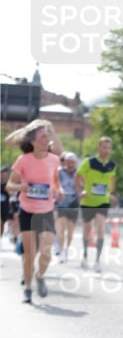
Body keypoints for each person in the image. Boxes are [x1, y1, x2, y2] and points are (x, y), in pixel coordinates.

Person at [6, 124, 62, 302]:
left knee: (46, 252)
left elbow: (55, 183)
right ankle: (28, 288)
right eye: (43, 137)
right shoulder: (23, 160)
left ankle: (40, 275)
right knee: (29, 253)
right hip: (28, 210)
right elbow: (9, 186)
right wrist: (20, 186)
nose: (47, 140)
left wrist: (58, 191)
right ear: (33, 142)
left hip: (46, 211)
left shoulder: (53, 160)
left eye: (48, 137)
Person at [76, 137, 116, 273]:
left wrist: (110, 193)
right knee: (87, 230)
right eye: (104, 147)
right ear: (98, 148)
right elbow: (77, 176)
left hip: (103, 202)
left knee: (100, 229)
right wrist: (80, 190)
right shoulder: (89, 162)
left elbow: (112, 180)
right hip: (87, 201)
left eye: (109, 148)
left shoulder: (112, 165)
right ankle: (85, 256)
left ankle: (97, 261)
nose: (106, 150)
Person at [55, 152, 79, 262]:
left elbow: (82, 186)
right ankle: (61, 250)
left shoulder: (78, 174)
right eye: (68, 162)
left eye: (72, 162)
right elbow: (56, 184)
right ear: (65, 162)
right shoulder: (60, 172)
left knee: (70, 231)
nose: (70, 164)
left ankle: (67, 248)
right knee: (61, 228)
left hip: (74, 202)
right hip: (62, 202)